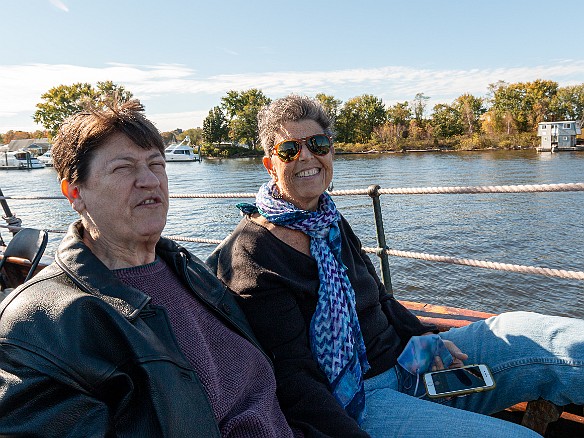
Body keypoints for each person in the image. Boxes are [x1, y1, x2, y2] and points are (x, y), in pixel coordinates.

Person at [209, 94, 584, 437]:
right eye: (289, 149)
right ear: (269, 164)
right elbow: (294, 378)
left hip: (408, 358)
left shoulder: (329, 221)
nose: (307, 157)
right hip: (356, 400)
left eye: (318, 144)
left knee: (550, 337)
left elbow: (381, 299)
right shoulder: (252, 255)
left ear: (330, 152)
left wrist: (421, 336)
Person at [0, 100, 299, 438]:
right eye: (124, 167)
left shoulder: (189, 270)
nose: (149, 180)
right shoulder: (37, 327)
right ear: (74, 192)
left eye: (156, 164)